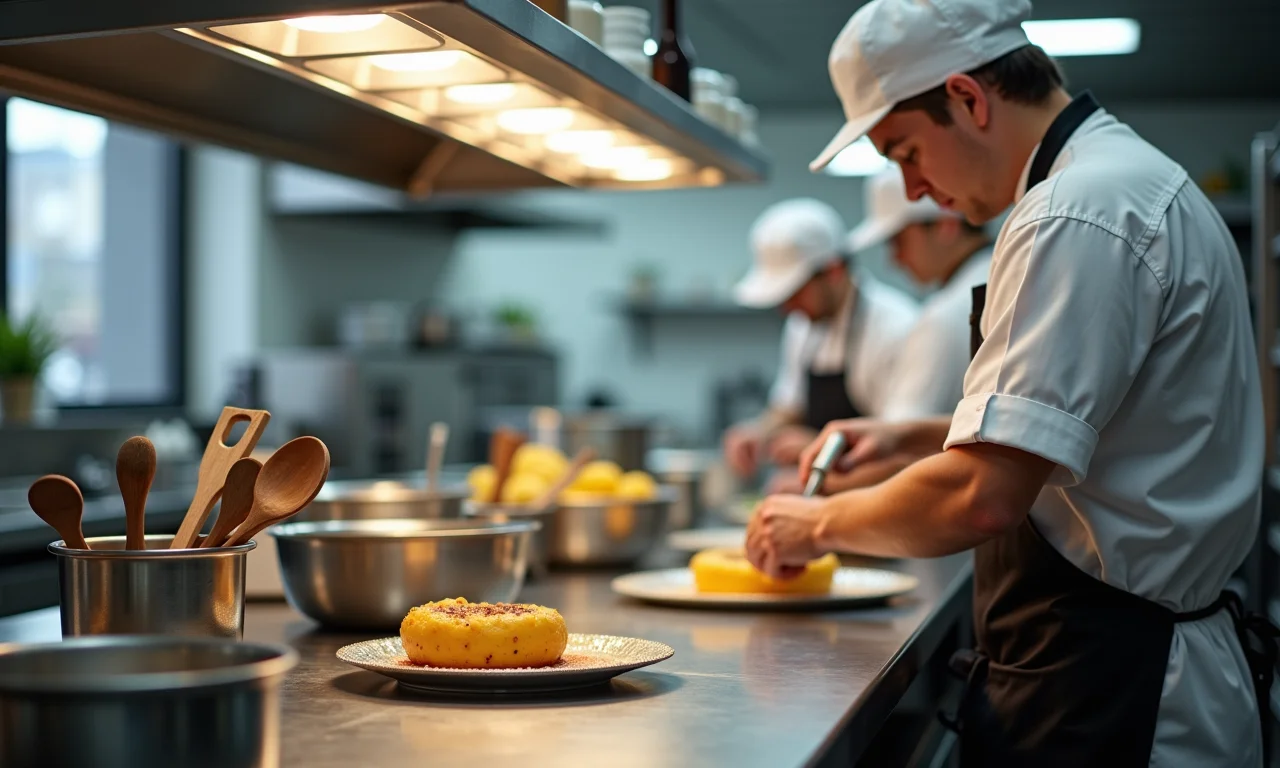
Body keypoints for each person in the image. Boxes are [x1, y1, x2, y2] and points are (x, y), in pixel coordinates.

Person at [745, 1, 1275, 766]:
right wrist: (915, 437)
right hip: (1116, 667)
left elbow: (982, 496)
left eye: (906, 152)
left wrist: (815, 525)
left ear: (968, 98)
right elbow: (1106, 434)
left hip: (1120, 694)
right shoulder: (1122, 181)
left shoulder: (1073, 212)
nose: (913, 189)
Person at [819, 167, 994, 493]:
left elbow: (898, 454)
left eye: (898, 241)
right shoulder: (1006, 274)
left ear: (946, 224)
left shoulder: (943, 317)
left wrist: (822, 490)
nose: (894, 259)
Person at [722, 198, 917, 490]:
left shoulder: (895, 329)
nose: (786, 307)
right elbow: (789, 407)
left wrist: (820, 450)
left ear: (833, 271)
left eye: (794, 292)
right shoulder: (802, 324)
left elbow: (904, 453)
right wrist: (759, 432)